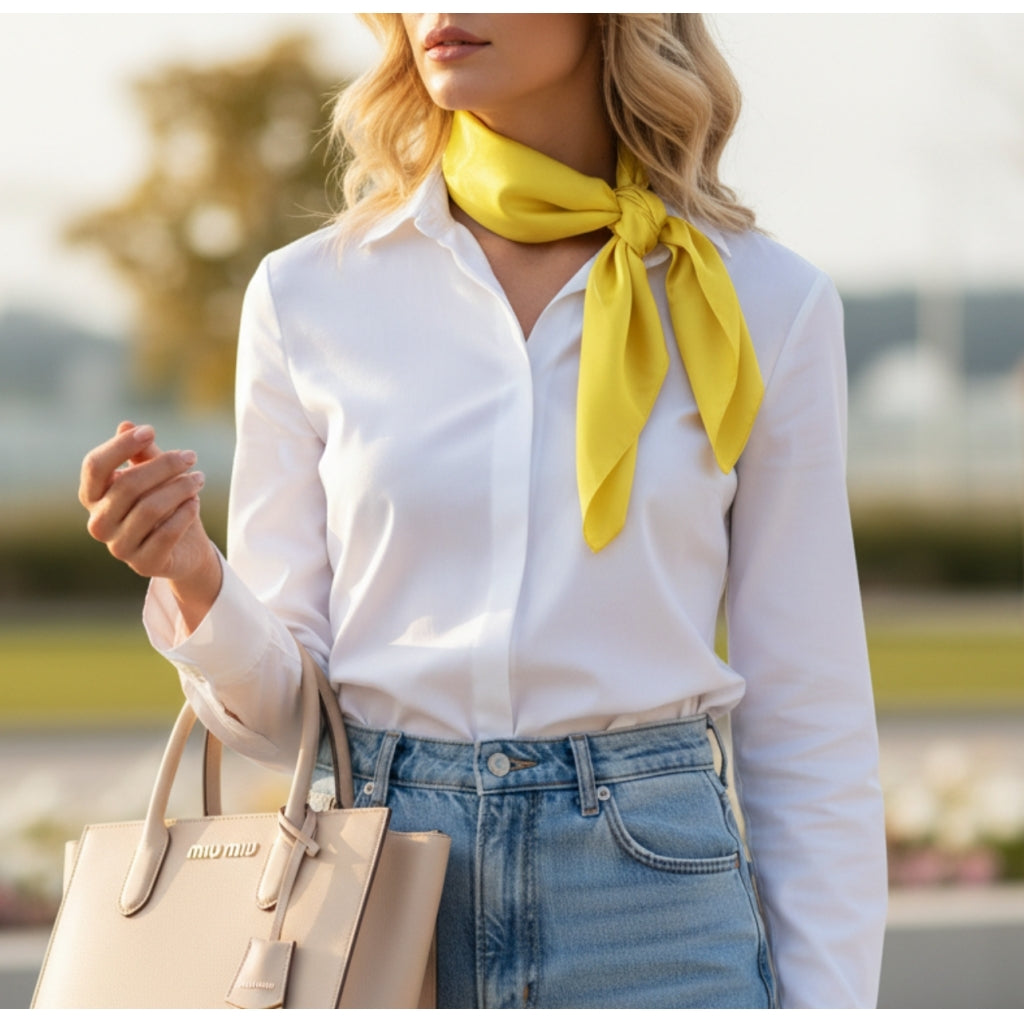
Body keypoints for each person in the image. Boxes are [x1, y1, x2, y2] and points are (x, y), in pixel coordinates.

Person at [78, 13, 887, 1009]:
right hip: (372, 890)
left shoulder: (764, 300)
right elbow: (286, 718)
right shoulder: (309, 295)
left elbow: (811, 717)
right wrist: (193, 578)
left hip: (655, 906)